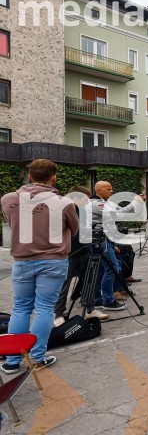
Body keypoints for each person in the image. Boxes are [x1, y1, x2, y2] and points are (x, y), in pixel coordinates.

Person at [1, 159, 79, 374]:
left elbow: (11, 221)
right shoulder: (64, 202)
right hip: (53, 260)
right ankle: (37, 357)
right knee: (44, 308)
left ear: (30, 176)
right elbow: (74, 230)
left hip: (22, 260)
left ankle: (12, 360)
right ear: (54, 177)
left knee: (20, 308)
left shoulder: (8, 199)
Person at [54, 186, 109, 324]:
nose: (87, 202)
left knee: (88, 281)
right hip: (68, 253)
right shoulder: (63, 209)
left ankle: (90, 310)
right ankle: (58, 314)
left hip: (84, 250)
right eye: (85, 199)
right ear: (75, 197)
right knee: (64, 284)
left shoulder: (82, 210)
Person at [88, 181, 145, 312]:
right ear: (99, 191)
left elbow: (124, 212)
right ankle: (108, 301)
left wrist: (138, 202)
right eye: (108, 189)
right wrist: (134, 202)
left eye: (112, 189)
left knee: (101, 271)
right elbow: (116, 215)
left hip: (105, 240)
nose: (112, 191)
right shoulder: (96, 204)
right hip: (100, 240)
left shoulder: (108, 203)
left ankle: (97, 300)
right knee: (112, 268)